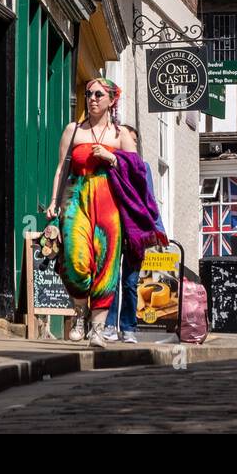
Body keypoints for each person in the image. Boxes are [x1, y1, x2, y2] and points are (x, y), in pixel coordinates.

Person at [46, 78, 136, 347]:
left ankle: (97, 329)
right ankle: (79, 315)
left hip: (110, 202)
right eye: (88, 94)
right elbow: (61, 168)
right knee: (74, 257)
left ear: (112, 99)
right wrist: (53, 201)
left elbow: (137, 172)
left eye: (99, 94)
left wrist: (112, 158)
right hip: (77, 199)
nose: (93, 98)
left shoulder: (121, 135)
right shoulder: (73, 131)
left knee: (107, 264)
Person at [103, 125, 167, 344]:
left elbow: (149, 198)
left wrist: (158, 230)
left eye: (135, 141)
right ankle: (109, 326)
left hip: (136, 231)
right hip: (113, 227)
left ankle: (128, 327)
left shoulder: (143, 168)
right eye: (129, 139)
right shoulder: (110, 163)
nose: (132, 144)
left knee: (130, 282)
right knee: (112, 280)